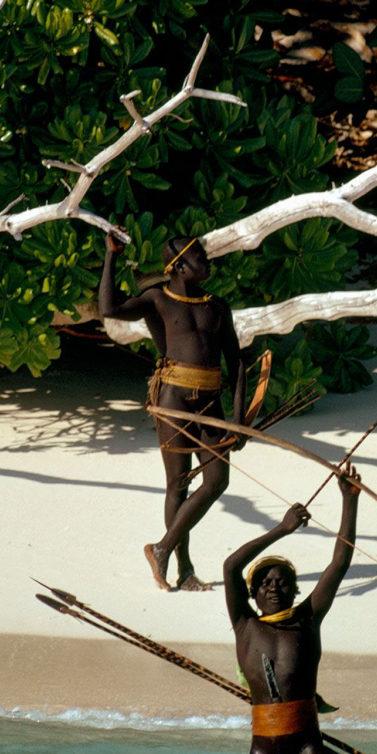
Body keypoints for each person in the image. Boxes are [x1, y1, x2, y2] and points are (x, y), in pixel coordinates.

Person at [99, 231, 247, 590]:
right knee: (177, 485)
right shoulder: (157, 300)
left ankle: (162, 549)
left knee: (216, 481)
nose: (207, 261)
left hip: (211, 401)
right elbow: (109, 309)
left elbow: (237, 363)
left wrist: (240, 420)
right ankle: (183, 568)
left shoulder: (217, 307)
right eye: (199, 257)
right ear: (179, 266)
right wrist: (111, 257)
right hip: (173, 401)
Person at [223, 464, 361, 754]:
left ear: (296, 591)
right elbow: (231, 566)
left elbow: (339, 564)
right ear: (253, 595)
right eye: (265, 583)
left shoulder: (307, 618)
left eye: (282, 582)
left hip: (309, 747)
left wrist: (350, 500)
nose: (273, 588)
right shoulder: (244, 624)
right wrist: (282, 529)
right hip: (261, 749)